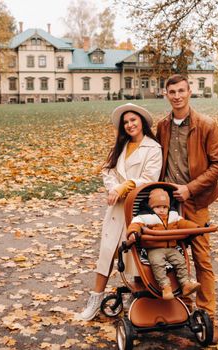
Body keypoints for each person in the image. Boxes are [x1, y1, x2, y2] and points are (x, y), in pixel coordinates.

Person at [156, 74, 218, 343]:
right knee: (170, 255)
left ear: (190, 92)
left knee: (201, 258)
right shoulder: (162, 126)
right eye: (171, 91)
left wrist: (190, 188)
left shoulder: (206, 125)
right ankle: (181, 309)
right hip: (169, 206)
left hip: (195, 202)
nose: (177, 96)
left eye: (181, 90)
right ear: (166, 94)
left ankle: (208, 315)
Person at [76, 103, 162, 321]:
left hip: (137, 208)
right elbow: (108, 171)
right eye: (126, 122)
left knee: (134, 256)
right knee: (106, 253)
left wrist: (126, 186)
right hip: (116, 208)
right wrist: (115, 187)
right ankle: (95, 299)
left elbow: (151, 178)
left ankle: (138, 301)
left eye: (133, 120)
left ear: (142, 121)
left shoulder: (153, 148)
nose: (130, 124)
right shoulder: (120, 147)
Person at [127, 188, 200, 300]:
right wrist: (132, 233)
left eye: (164, 207)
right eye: (157, 207)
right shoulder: (145, 217)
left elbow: (184, 223)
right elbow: (135, 224)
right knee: (158, 263)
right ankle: (165, 287)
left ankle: (185, 283)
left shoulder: (173, 216)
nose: (162, 210)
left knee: (180, 261)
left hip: (172, 247)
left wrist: (197, 228)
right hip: (154, 248)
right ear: (151, 207)